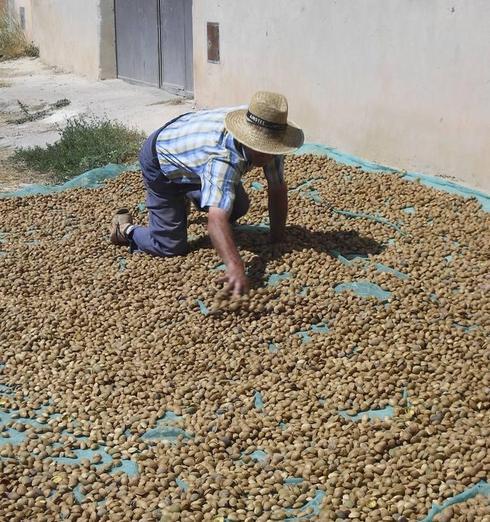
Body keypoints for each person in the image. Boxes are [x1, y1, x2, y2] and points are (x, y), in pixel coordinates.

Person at [110, 91, 304, 296]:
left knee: (237, 206)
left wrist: (277, 239)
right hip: (162, 160)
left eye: (270, 149)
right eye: (261, 150)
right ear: (247, 138)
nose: (267, 157)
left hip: (193, 150)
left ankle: (188, 197)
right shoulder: (222, 158)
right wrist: (235, 266)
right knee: (170, 246)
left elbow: (277, 188)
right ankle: (125, 230)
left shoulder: (268, 133)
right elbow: (216, 220)